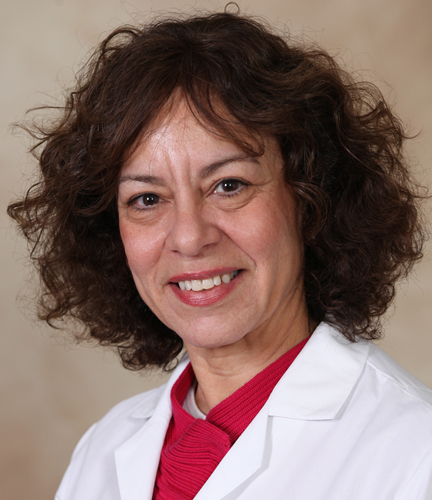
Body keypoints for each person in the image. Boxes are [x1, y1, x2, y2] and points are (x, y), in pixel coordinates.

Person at [7, 7, 432, 500]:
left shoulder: (414, 452)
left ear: (310, 198)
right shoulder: (101, 450)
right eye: (147, 199)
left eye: (229, 185)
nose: (189, 238)